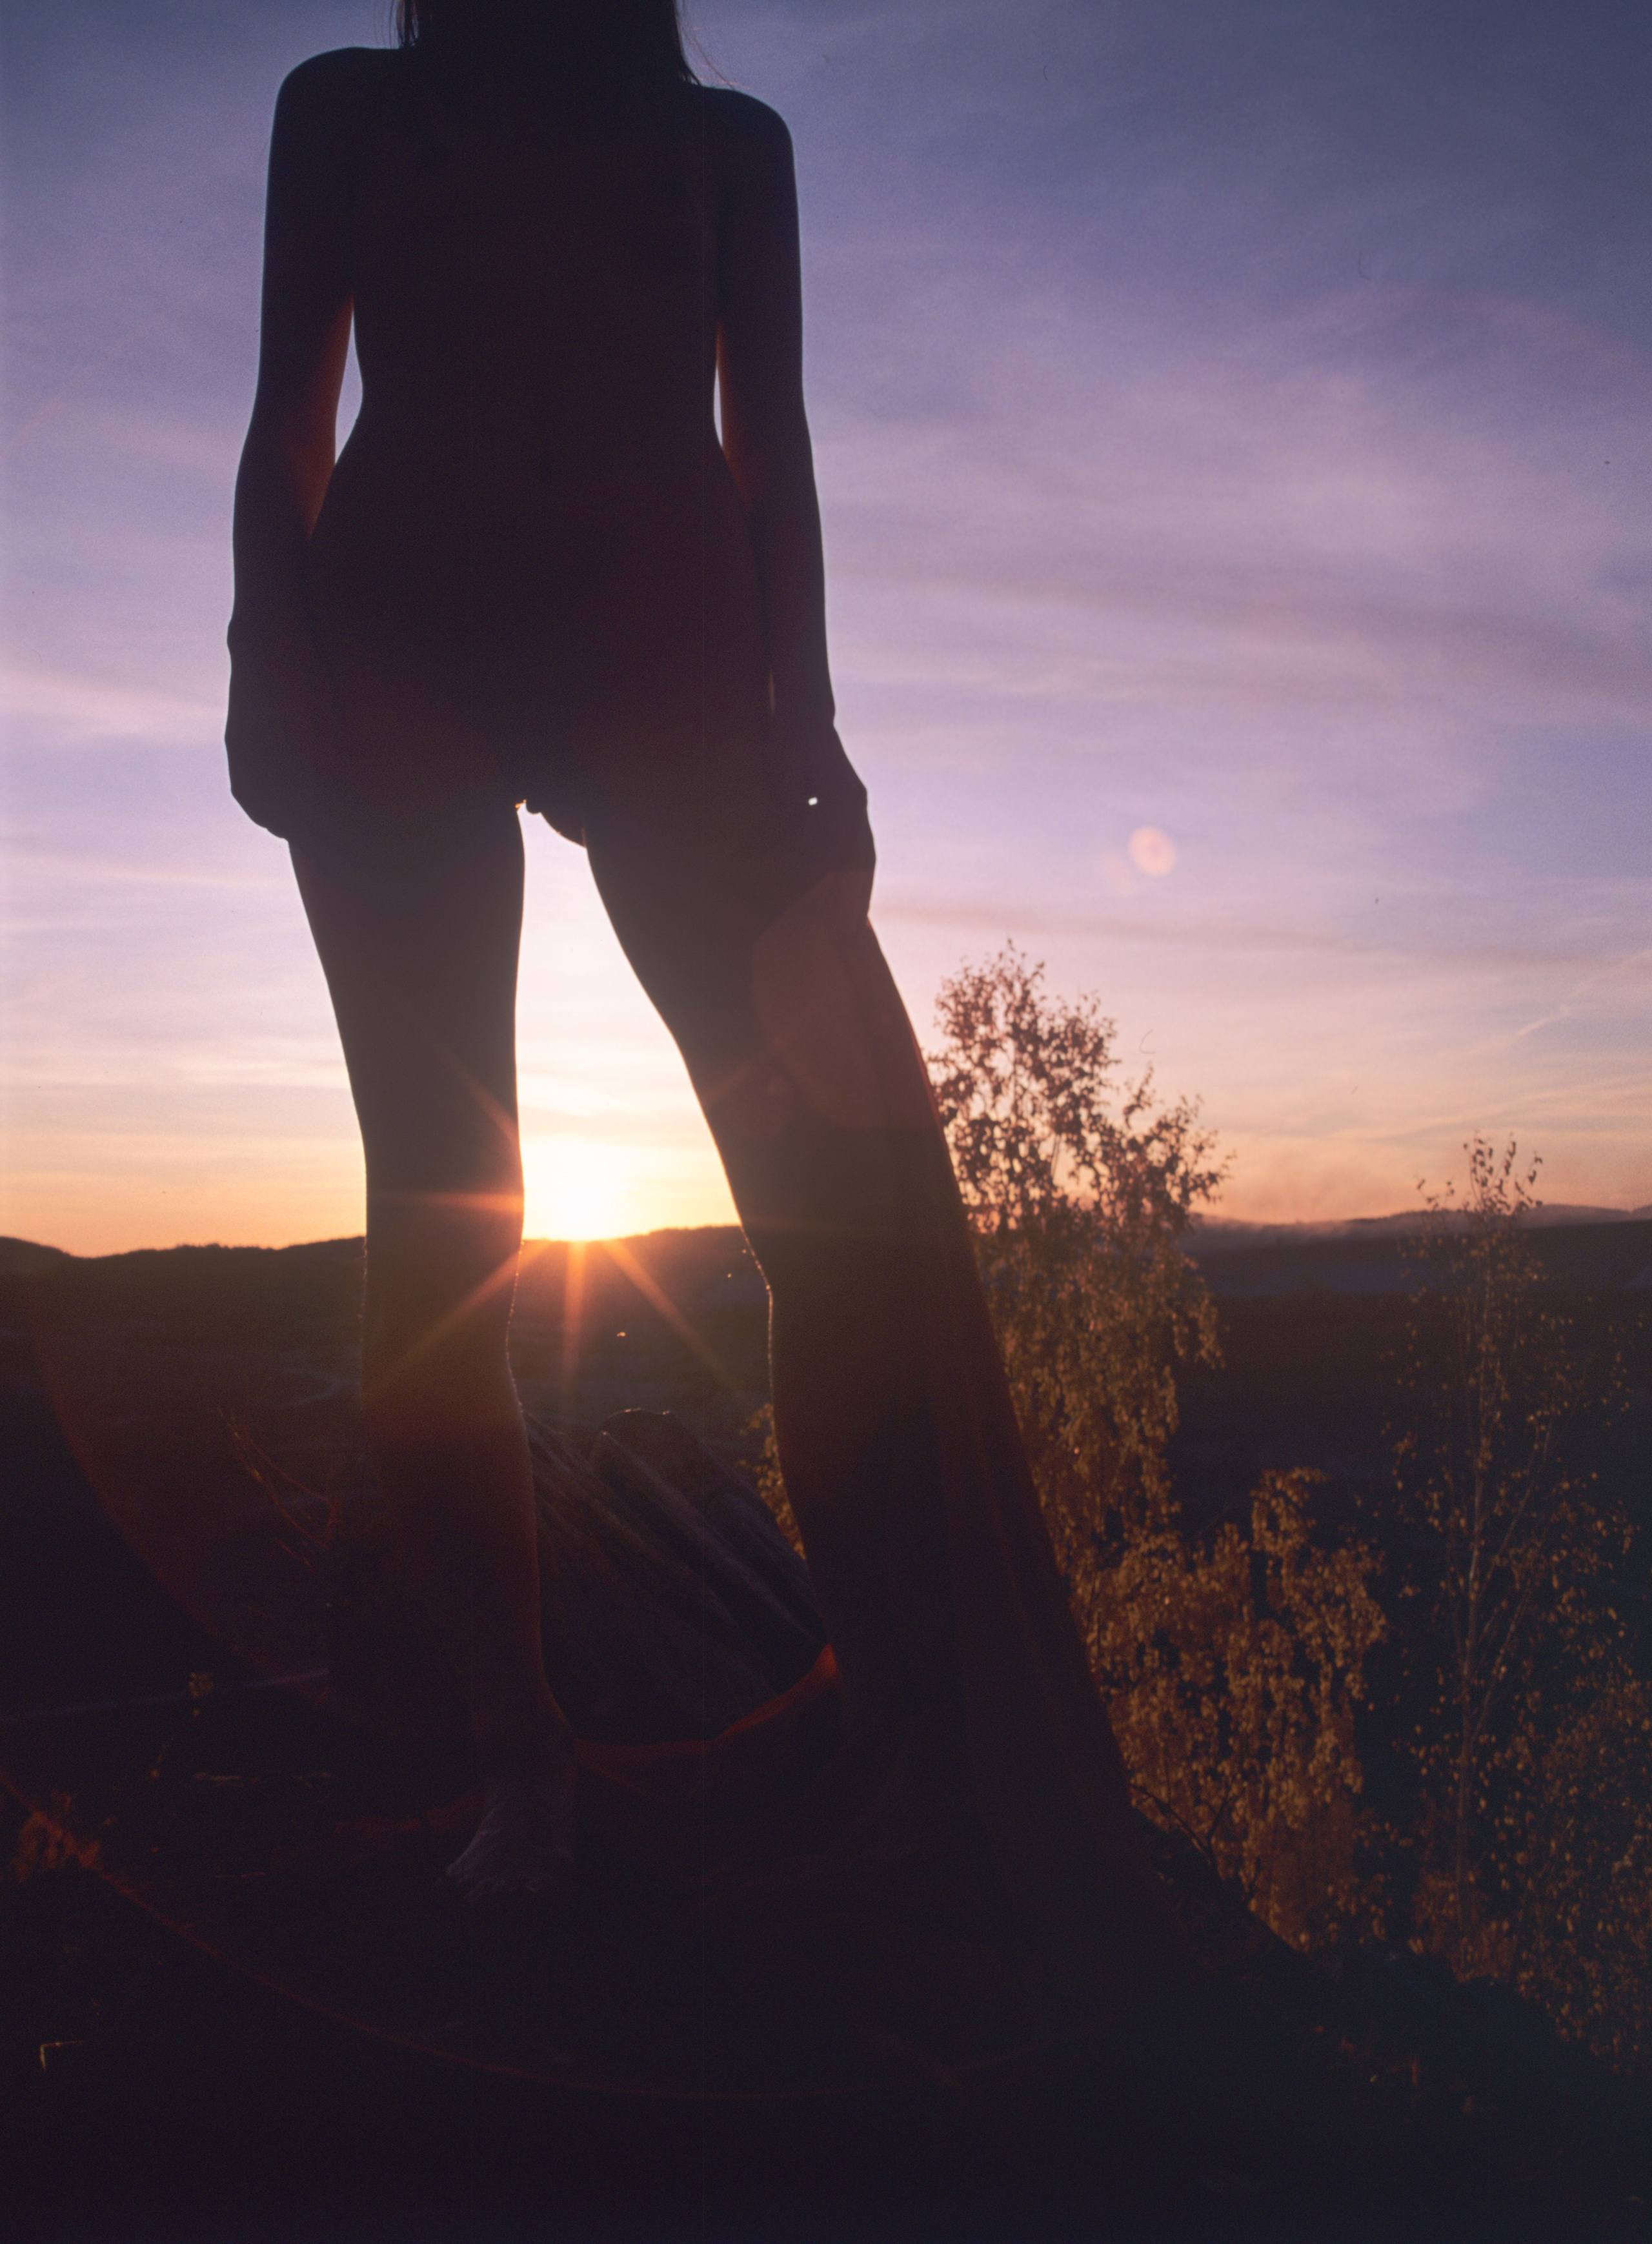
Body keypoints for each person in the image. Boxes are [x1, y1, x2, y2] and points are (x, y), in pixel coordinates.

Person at [227, 0, 1167, 1990]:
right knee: (439, 1222)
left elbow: (774, 447)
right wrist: (267, 656)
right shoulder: (354, 108)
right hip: (396, 650)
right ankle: (524, 1764)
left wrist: (808, 721)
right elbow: (286, 417)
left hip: (671, 666)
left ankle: (907, 1717)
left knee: (835, 1219)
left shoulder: (730, 147)